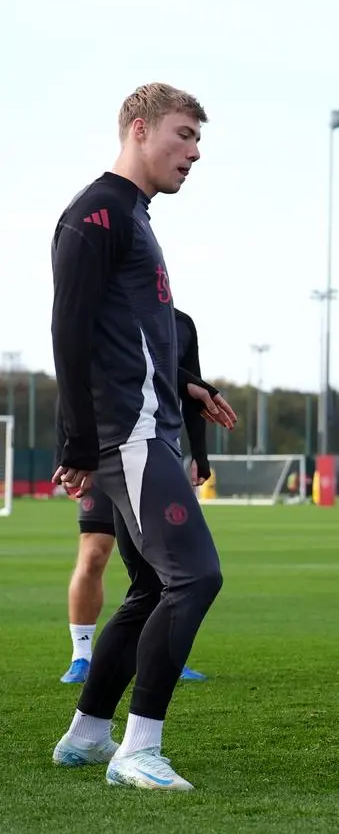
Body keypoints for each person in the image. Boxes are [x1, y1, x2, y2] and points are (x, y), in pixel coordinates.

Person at [49, 83, 235, 791]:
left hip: (147, 424)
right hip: (126, 435)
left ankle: (90, 733)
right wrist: (75, 441)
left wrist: (186, 388)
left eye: (197, 142)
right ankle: (138, 749)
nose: (193, 153)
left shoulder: (135, 214)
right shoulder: (98, 212)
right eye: (183, 136)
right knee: (195, 577)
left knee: (153, 585)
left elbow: (127, 336)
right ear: (138, 128)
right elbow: (69, 328)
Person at [60, 308, 219, 685]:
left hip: (157, 454)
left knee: (165, 570)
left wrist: (199, 453)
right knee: (95, 553)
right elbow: (72, 378)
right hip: (103, 453)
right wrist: (68, 452)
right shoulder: (105, 315)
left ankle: (167, 651)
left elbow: (191, 390)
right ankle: (81, 655)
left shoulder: (180, 324)